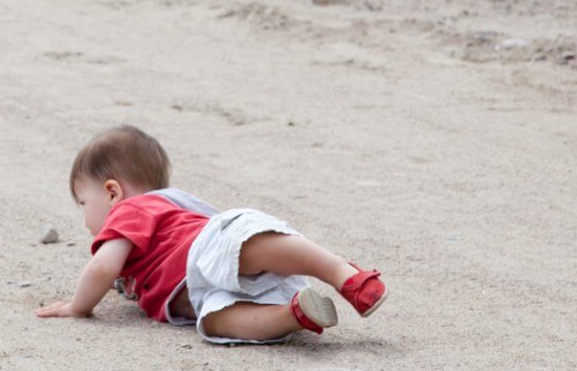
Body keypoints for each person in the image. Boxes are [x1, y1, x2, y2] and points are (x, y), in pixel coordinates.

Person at [36, 125, 387, 344]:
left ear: (112, 192)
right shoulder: (147, 222)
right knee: (216, 321)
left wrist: (76, 307)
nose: (84, 220)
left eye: (83, 203)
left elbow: (101, 268)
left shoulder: (131, 209)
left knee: (247, 249)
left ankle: (343, 274)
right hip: (199, 289)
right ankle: (295, 314)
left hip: (205, 251)